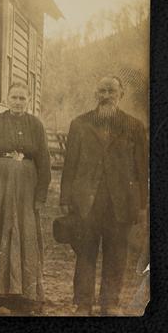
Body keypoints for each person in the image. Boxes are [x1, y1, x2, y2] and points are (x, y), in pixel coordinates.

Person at [60, 76, 148, 316]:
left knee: (117, 253)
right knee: (85, 252)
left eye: (111, 90)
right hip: (87, 201)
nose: (106, 95)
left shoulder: (134, 126)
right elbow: (70, 165)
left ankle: (111, 303)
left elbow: (141, 168)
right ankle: (83, 303)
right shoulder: (79, 124)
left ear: (121, 94)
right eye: (102, 91)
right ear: (95, 94)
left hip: (120, 202)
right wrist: (66, 199)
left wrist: (141, 204)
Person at [0, 81, 51, 313]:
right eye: (14, 97)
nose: (18, 102)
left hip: (27, 187)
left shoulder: (36, 125)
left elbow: (44, 161)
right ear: (7, 99)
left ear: (28, 100)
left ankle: (24, 293)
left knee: (25, 233)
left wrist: (40, 194)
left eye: (22, 98)